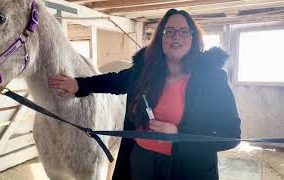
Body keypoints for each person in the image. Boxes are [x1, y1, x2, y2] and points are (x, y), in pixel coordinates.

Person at [48, 8, 241, 180]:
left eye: (183, 32)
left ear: (193, 38)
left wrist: (178, 134)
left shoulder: (212, 78)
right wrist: (78, 84)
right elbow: (114, 81)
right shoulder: (145, 71)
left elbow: (231, 136)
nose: (176, 37)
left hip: (187, 167)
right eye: (169, 32)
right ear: (160, 39)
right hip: (142, 161)